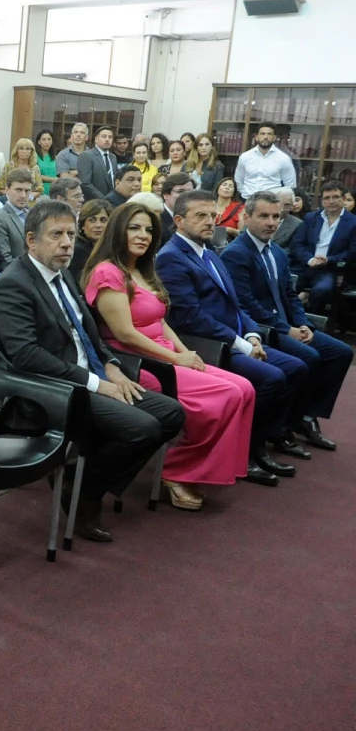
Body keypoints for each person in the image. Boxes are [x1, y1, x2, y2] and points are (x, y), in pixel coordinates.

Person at [0, 199, 185, 542]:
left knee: (170, 413)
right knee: (142, 428)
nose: (67, 242)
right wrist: (95, 382)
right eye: (56, 235)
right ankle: (86, 491)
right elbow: (25, 356)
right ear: (31, 240)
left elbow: (90, 334)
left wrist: (112, 366)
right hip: (53, 389)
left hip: (92, 376)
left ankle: (82, 482)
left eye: (69, 233)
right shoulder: (14, 284)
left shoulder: (62, 274)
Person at [83, 202, 254, 510]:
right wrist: (176, 359)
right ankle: (176, 471)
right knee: (226, 395)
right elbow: (124, 334)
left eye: (149, 230)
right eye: (134, 228)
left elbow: (160, 320)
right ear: (117, 231)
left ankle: (198, 469)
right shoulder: (107, 272)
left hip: (164, 355)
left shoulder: (142, 270)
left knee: (245, 388)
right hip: (138, 364)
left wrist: (184, 351)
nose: (143, 235)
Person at [156, 190, 307, 485]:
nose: (209, 222)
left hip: (234, 338)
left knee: (297, 368)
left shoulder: (211, 253)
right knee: (272, 378)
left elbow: (236, 305)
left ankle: (259, 441)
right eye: (199, 215)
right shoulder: (171, 258)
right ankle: (247, 452)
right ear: (178, 220)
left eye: (212, 216)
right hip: (208, 344)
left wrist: (251, 334)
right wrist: (240, 343)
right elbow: (191, 317)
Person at [223, 190, 350, 451]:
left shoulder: (277, 252)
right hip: (264, 328)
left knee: (340, 352)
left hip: (287, 324)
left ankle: (304, 415)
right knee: (309, 357)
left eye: (276, 217)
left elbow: (290, 295)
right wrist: (286, 328)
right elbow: (245, 303)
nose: (271, 222)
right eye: (264, 216)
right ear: (246, 217)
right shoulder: (236, 253)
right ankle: (280, 427)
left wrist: (304, 323)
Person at [290, 180, 356, 315]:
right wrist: (309, 259)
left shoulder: (353, 222)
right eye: (327, 198)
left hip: (329, 269)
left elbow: (352, 252)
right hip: (305, 265)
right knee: (284, 282)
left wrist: (328, 259)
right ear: (322, 201)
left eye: (335, 197)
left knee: (322, 290)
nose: (331, 201)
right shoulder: (311, 218)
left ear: (343, 199)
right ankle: (287, 319)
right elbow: (296, 245)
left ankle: (310, 323)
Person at [235, 122, 296, 199]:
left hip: (270, 202)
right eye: (262, 134)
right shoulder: (245, 157)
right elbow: (238, 179)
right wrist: (244, 192)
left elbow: (290, 185)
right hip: (247, 200)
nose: (266, 137)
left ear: (274, 138)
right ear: (257, 137)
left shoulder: (283, 158)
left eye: (269, 134)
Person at [0, 168, 35, 261]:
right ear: (7, 189)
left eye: (27, 191)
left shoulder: (34, 215)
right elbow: (5, 259)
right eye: (18, 190)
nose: (23, 195)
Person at [71, 198, 111, 283]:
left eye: (103, 220)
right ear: (82, 225)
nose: (98, 225)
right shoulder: (78, 251)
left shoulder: (112, 247)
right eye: (92, 220)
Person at [77, 126, 119, 201]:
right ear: (96, 139)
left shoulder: (113, 157)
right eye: (104, 137)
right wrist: (104, 199)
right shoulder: (87, 156)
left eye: (110, 137)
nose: (107, 139)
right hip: (93, 202)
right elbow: (85, 183)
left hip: (113, 201)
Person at [160, 172, 196, 239]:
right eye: (180, 191)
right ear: (166, 195)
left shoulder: (195, 218)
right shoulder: (157, 219)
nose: (186, 196)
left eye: (191, 192)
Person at [35, 129, 59, 194]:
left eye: (49, 139)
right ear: (39, 142)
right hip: (40, 191)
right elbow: (35, 175)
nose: (46, 142)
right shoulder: (34, 157)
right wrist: (55, 179)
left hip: (55, 190)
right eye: (44, 139)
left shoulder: (57, 157)